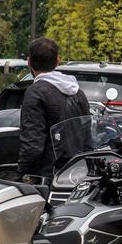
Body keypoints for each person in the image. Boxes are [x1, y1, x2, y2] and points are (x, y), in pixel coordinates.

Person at [17, 37, 91, 181]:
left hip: (49, 177)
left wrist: (22, 176)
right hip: (77, 172)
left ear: (29, 62)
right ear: (58, 60)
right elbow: (87, 136)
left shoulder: (35, 92)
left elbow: (32, 144)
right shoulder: (77, 91)